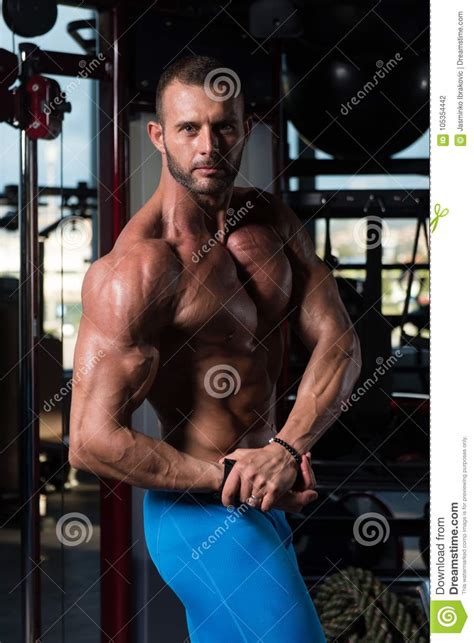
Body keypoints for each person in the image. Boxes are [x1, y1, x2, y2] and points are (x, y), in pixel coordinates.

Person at [69, 54, 361, 642]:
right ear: (158, 136)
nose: (208, 145)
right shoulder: (139, 270)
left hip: (270, 492)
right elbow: (89, 440)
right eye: (188, 128)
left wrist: (284, 448)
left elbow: (339, 340)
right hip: (203, 514)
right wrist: (230, 476)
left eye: (222, 126)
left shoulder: (271, 221)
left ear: (244, 126)